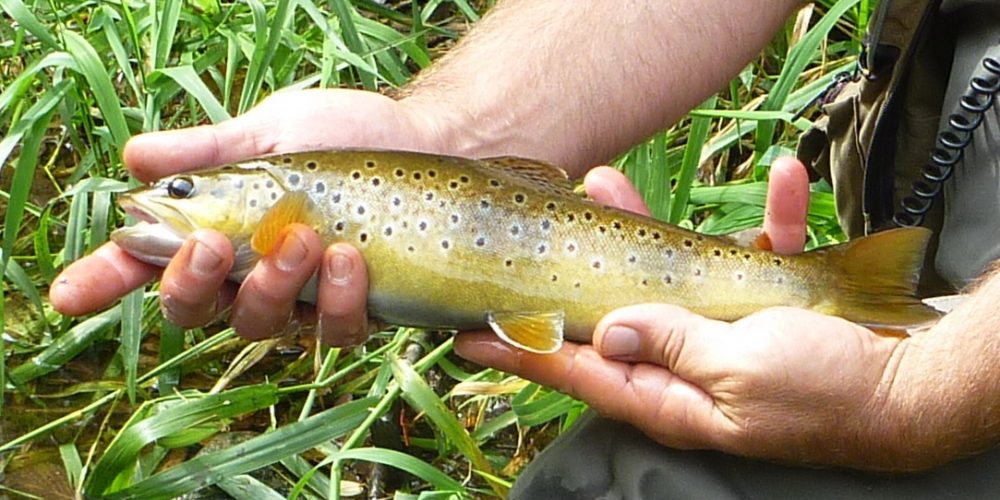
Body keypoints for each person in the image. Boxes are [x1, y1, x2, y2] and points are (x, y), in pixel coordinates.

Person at [48, 0, 1000, 497]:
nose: (158, 203)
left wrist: (917, 395)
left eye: (181, 195)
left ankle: (837, 294)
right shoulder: (299, 206)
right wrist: (448, 125)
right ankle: (845, 290)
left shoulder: (291, 210)